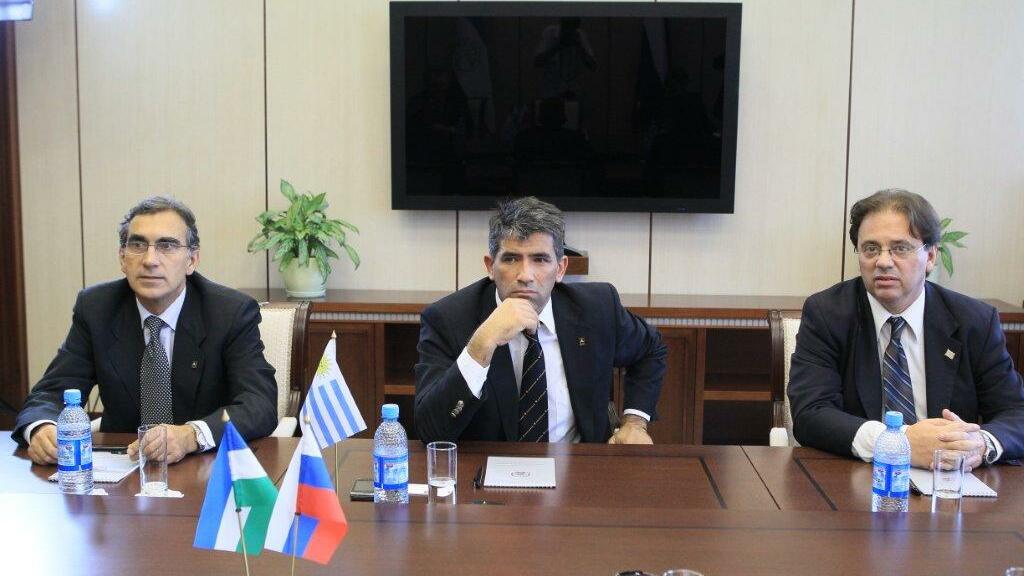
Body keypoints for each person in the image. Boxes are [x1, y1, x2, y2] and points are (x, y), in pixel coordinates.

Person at [14, 197, 278, 465]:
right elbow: (52, 393)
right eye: (138, 245)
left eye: (167, 246)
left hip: (206, 467)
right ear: (122, 258)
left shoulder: (229, 313)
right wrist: (42, 428)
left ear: (192, 260)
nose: (150, 260)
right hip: (122, 467)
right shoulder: (97, 309)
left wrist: (191, 435)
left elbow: (258, 403)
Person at [788, 189, 1024, 470]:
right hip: (860, 475)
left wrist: (980, 445)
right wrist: (900, 443)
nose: (883, 261)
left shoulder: (974, 321)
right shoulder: (828, 314)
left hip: (950, 479)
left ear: (931, 256)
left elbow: (1016, 413)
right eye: (871, 248)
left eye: (900, 248)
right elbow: (811, 413)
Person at [414, 196, 666, 444]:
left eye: (540, 259)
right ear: (490, 266)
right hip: (487, 465)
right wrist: (480, 345)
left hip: (580, 462)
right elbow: (430, 432)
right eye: (511, 259)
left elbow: (651, 349)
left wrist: (635, 422)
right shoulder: (447, 319)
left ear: (561, 268)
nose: (525, 275)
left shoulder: (597, 308)